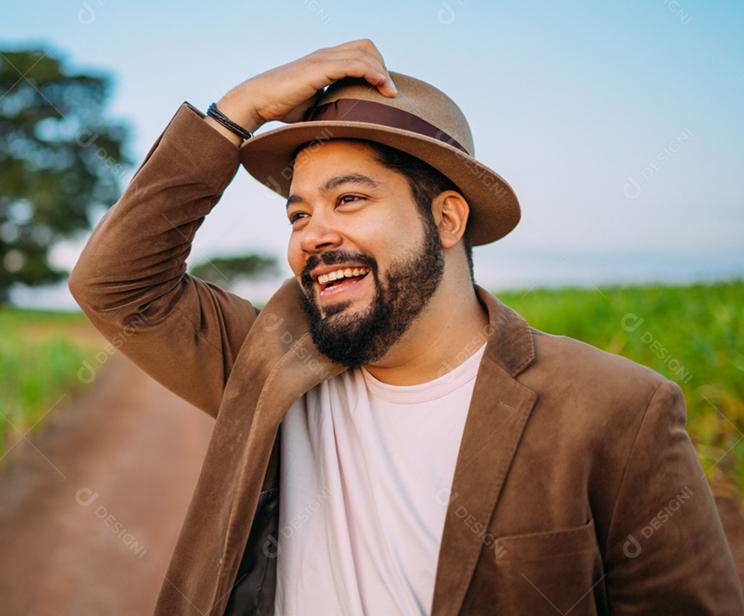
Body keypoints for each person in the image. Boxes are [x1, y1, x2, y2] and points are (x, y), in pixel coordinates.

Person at [68, 38, 744, 615]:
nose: (313, 236)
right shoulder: (271, 361)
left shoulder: (618, 410)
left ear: (447, 220)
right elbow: (116, 285)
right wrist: (234, 112)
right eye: (298, 215)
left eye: (350, 199)